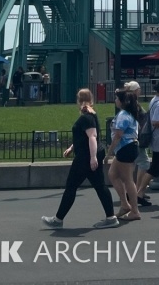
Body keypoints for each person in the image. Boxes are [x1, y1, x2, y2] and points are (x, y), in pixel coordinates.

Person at [41, 89, 118, 229]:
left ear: (79, 100)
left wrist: (92, 157)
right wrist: (72, 148)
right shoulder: (92, 115)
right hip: (90, 154)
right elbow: (84, 136)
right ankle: (111, 217)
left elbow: (92, 137)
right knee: (100, 186)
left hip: (84, 157)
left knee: (71, 186)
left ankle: (58, 220)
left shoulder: (86, 117)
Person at [108, 89, 141, 220]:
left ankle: (135, 211)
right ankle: (125, 204)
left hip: (125, 148)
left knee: (128, 179)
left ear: (122, 101)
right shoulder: (130, 114)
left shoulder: (123, 115)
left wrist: (109, 153)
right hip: (127, 148)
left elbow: (118, 135)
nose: (115, 100)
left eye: (117, 98)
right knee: (112, 174)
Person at [123, 80, 152, 205]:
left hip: (131, 140)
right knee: (144, 163)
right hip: (136, 139)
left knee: (133, 165)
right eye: (139, 89)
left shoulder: (128, 103)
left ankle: (131, 191)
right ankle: (138, 190)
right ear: (135, 91)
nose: (140, 90)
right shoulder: (134, 105)